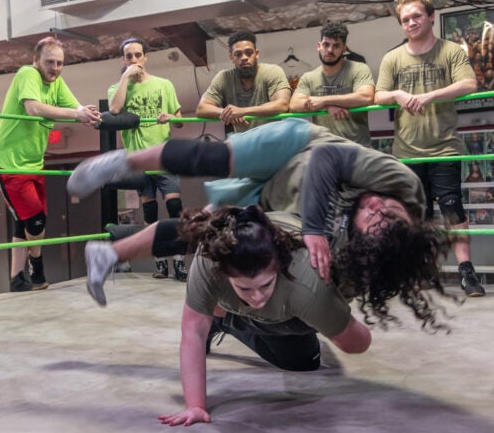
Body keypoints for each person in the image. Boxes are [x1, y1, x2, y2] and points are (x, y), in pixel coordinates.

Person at [70, 119, 449, 329]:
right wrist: (315, 229)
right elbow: (327, 160)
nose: (377, 205)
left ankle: (107, 254)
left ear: (364, 244)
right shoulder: (404, 186)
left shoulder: (360, 258)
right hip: (300, 149)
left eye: (374, 219)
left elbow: (328, 292)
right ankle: (123, 162)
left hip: (278, 202)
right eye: (388, 211)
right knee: (219, 157)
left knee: (205, 230)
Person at [152, 206, 372, 426]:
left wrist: (332, 315)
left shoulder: (305, 280)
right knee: (209, 316)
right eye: (245, 288)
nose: (257, 297)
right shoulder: (208, 263)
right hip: (244, 305)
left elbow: (359, 343)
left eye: (265, 284)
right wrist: (196, 406)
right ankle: (221, 321)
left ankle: (230, 318)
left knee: (302, 362)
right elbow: (192, 332)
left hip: (295, 303)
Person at [374, 0, 485, 297]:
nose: (411, 22)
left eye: (416, 16)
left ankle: (466, 272)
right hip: (407, 151)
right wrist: (396, 95)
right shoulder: (392, 57)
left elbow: (469, 83)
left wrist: (430, 95)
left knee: (452, 209)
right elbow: (378, 95)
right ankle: (420, 272)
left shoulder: (450, 50)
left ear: (431, 16)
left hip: (444, 145)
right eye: (405, 19)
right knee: (416, 216)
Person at [0, 37, 101, 292]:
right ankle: (37, 268)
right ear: (36, 61)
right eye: (49, 62)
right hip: (10, 163)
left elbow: (75, 106)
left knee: (26, 222)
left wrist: (89, 113)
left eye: (59, 63)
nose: (54, 68)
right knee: (36, 221)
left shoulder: (57, 82)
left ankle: (17, 278)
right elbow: (33, 108)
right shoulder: (27, 73)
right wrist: (77, 114)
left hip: (34, 163)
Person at [108, 37, 187, 281]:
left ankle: (180, 262)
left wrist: (169, 118)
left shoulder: (164, 84)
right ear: (123, 59)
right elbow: (113, 111)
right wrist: (125, 78)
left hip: (164, 156)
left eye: (137, 55)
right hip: (138, 160)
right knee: (150, 211)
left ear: (145, 57)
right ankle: (161, 263)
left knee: (174, 207)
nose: (134, 60)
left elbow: (180, 119)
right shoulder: (116, 87)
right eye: (128, 56)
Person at [289, 21, 375, 147]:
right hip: (325, 150)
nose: (330, 50)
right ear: (319, 46)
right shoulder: (309, 77)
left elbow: (366, 97)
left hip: (357, 149)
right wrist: (328, 107)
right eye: (326, 45)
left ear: (344, 48)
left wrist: (324, 101)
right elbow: (294, 104)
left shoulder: (359, 69)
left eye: (336, 46)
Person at [195, 30, 290, 134]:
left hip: (272, 140)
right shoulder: (224, 77)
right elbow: (201, 109)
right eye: (238, 54)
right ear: (231, 57)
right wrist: (228, 113)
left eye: (249, 53)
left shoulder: (272, 71)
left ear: (257, 54)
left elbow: (282, 105)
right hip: (242, 143)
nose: (244, 58)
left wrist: (242, 111)